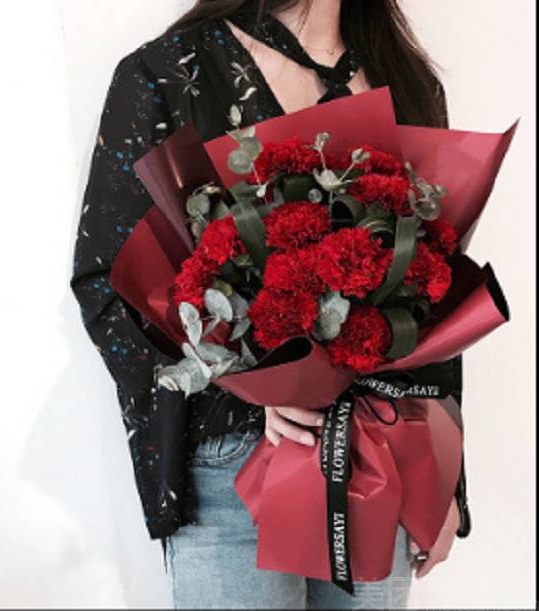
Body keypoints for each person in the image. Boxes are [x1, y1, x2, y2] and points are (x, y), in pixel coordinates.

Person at [70, 1, 470, 608]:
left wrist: (443, 483)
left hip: (377, 454)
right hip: (233, 471)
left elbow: (436, 296)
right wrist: (248, 387)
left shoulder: (408, 83)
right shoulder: (168, 73)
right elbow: (108, 282)